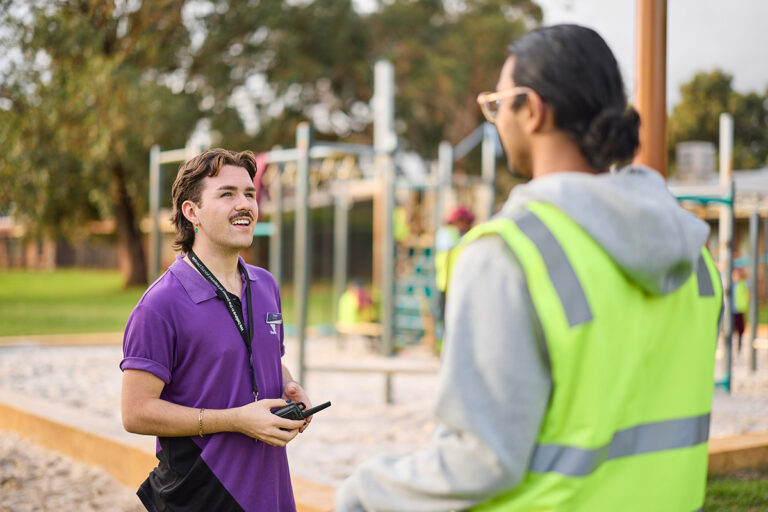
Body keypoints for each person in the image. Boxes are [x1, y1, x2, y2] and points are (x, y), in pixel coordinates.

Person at [336, 24, 722, 511]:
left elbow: (480, 460)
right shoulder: (697, 259)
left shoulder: (509, 253)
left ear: (533, 110)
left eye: (496, 106)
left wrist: (363, 491)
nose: (496, 121)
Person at [121, 149, 311, 512]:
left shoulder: (266, 285)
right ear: (192, 213)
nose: (245, 204)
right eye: (227, 194)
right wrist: (236, 420)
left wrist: (290, 389)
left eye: (249, 194)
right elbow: (135, 412)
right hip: (201, 492)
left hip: (270, 489)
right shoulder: (159, 305)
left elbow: (263, 360)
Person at [733, 267, 749, 352]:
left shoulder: (743, 283)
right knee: (731, 329)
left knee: (740, 330)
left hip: (740, 310)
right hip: (732, 311)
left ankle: (739, 346)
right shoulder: (731, 284)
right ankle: (731, 346)